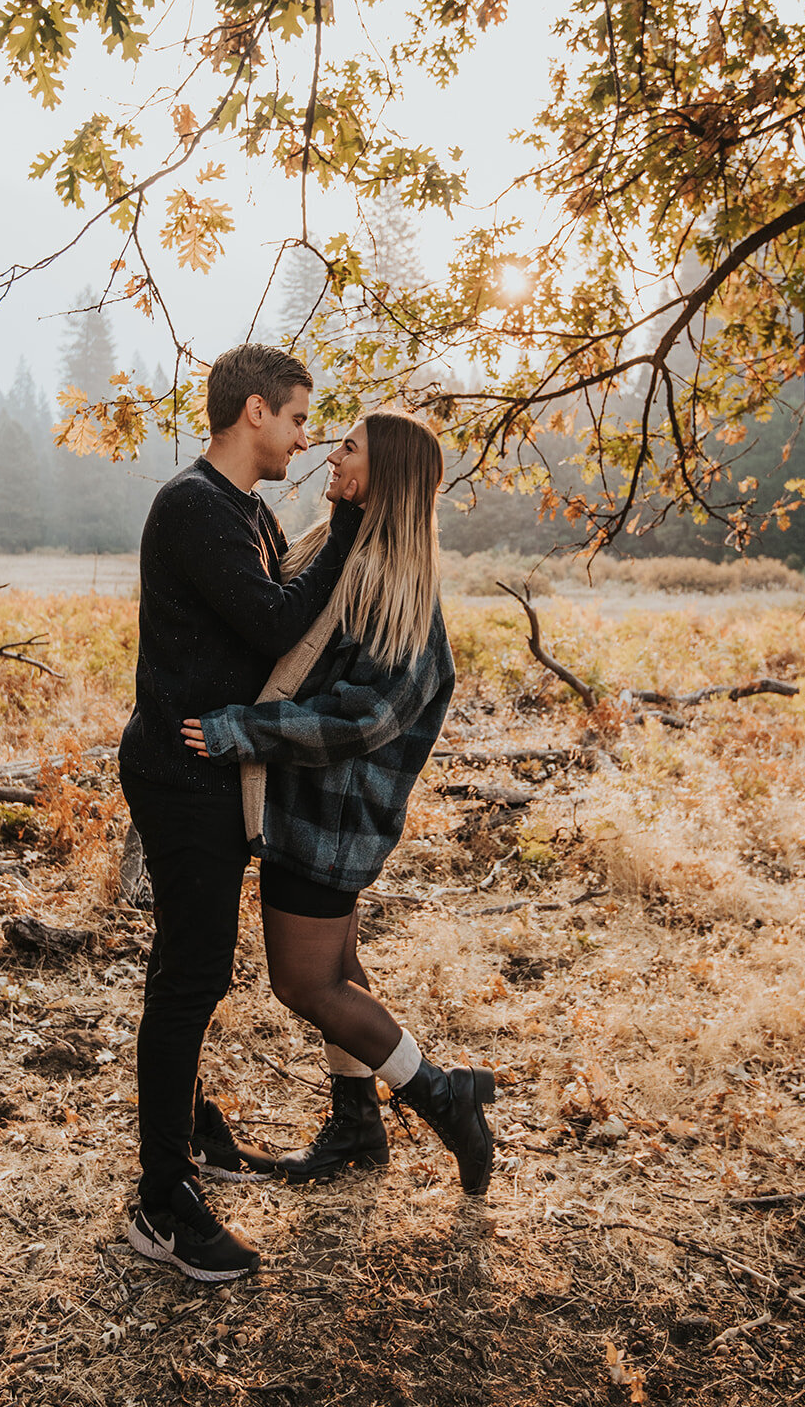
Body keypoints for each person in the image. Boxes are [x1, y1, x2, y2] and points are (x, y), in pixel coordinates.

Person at [182, 412, 496, 1200]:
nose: (330, 453)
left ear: (382, 474)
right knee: (341, 970)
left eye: (349, 447)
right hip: (305, 807)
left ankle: (440, 1094)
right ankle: (356, 1123)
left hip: (333, 821)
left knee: (305, 984)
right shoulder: (337, 548)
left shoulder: (398, 589)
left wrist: (239, 732)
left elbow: (366, 719)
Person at [119, 344, 364, 1284]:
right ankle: (160, 1199)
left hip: (215, 774)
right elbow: (275, 623)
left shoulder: (247, 513)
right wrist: (344, 522)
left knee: (193, 968)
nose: (306, 439)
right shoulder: (193, 506)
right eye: (299, 419)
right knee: (191, 977)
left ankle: (188, 1128)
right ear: (254, 411)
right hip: (181, 777)